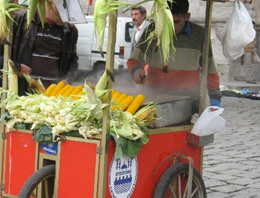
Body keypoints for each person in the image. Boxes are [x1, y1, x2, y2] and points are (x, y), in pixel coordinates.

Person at [127, 0, 222, 113]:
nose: (170, 27)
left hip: (190, 102)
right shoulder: (153, 30)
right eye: (167, 21)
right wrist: (136, 71)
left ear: (187, 17)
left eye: (176, 22)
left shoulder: (200, 35)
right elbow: (135, 59)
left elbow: (209, 70)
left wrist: (215, 101)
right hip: (156, 100)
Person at [12, 0, 78, 95]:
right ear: (49, 3)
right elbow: (4, 55)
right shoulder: (22, 19)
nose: (65, 16)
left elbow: (73, 63)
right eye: (62, 9)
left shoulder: (70, 31)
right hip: (22, 94)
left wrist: (67, 81)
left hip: (51, 97)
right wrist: (16, 67)